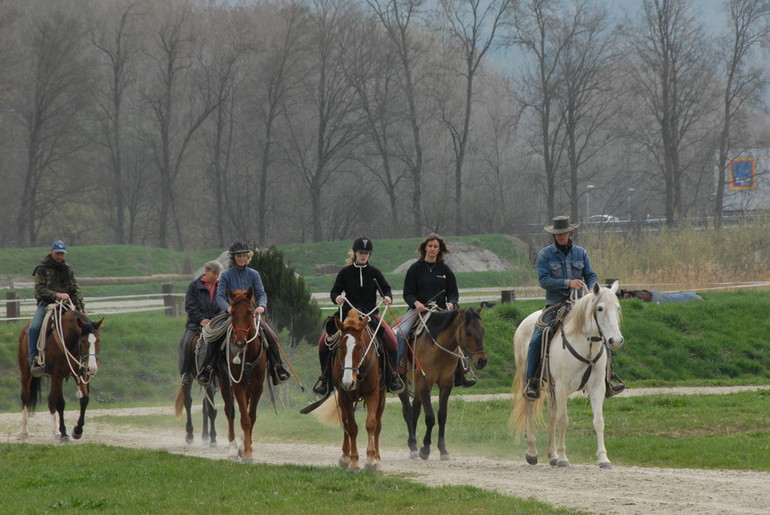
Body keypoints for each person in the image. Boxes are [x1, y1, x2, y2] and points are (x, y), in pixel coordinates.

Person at [524, 216, 625, 399]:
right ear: (554, 236)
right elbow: (544, 280)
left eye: (564, 233)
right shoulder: (546, 254)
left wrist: (597, 290)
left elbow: (590, 275)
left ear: (570, 233)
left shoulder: (581, 253)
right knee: (538, 336)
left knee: (602, 332)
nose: (561, 237)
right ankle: (532, 380)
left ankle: (606, 379)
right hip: (555, 305)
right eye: (558, 234)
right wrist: (567, 282)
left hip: (580, 304)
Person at [312, 237, 405, 395]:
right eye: (361, 252)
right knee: (323, 342)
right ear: (355, 253)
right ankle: (325, 378)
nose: (363, 255)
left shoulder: (375, 273)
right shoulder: (345, 272)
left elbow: (386, 289)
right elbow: (334, 291)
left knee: (392, 342)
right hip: (348, 314)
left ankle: (392, 376)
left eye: (367, 253)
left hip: (370, 314)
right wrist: (337, 298)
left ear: (370, 255)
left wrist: (388, 297)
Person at [195, 240, 290, 385]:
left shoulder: (254, 274)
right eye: (238, 256)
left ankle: (277, 367)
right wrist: (228, 308)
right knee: (213, 337)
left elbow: (261, 293)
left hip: (249, 314)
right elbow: (219, 296)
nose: (241, 258)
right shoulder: (226, 275)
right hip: (230, 314)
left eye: (244, 256)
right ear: (233, 258)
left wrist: (261, 306)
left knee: (272, 335)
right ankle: (207, 369)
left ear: (248, 257)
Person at [393, 233, 473, 387]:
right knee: (401, 333)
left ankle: (462, 370)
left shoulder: (445, 269)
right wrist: (416, 303)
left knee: (459, 332)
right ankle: (397, 370)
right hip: (419, 310)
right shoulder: (415, 269)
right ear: (424, 248)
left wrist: (451, 303)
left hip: (441, 311)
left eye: (435, 247)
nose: (432, 249)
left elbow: (453, 292)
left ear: (439, 249)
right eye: (430, 246)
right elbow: (407, 293)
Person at [28, 240, 86, 377]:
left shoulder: (67, 269)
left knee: (86, 328)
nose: (60, 256)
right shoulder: (41, 269)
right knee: (34, 328)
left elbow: (74, 289)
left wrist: (81, 308)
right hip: (47, 305)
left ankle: (83, 361)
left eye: (62, 253)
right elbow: (39, 290)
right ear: (51, 251)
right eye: (57, 253)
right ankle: (33, 361)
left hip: (67, 305)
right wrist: (56, 295)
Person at [178, 261, 223, 381]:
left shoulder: (221, 287)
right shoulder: (194, 286)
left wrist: (216, 320)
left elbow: (225, 305)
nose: (216, 276)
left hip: (216, 325)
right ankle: (185, 374)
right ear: (206, 271)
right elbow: (190, 306)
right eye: (214, 273)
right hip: (195, 325)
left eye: (218, 274)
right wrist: (201, 320)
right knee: (187, 344)